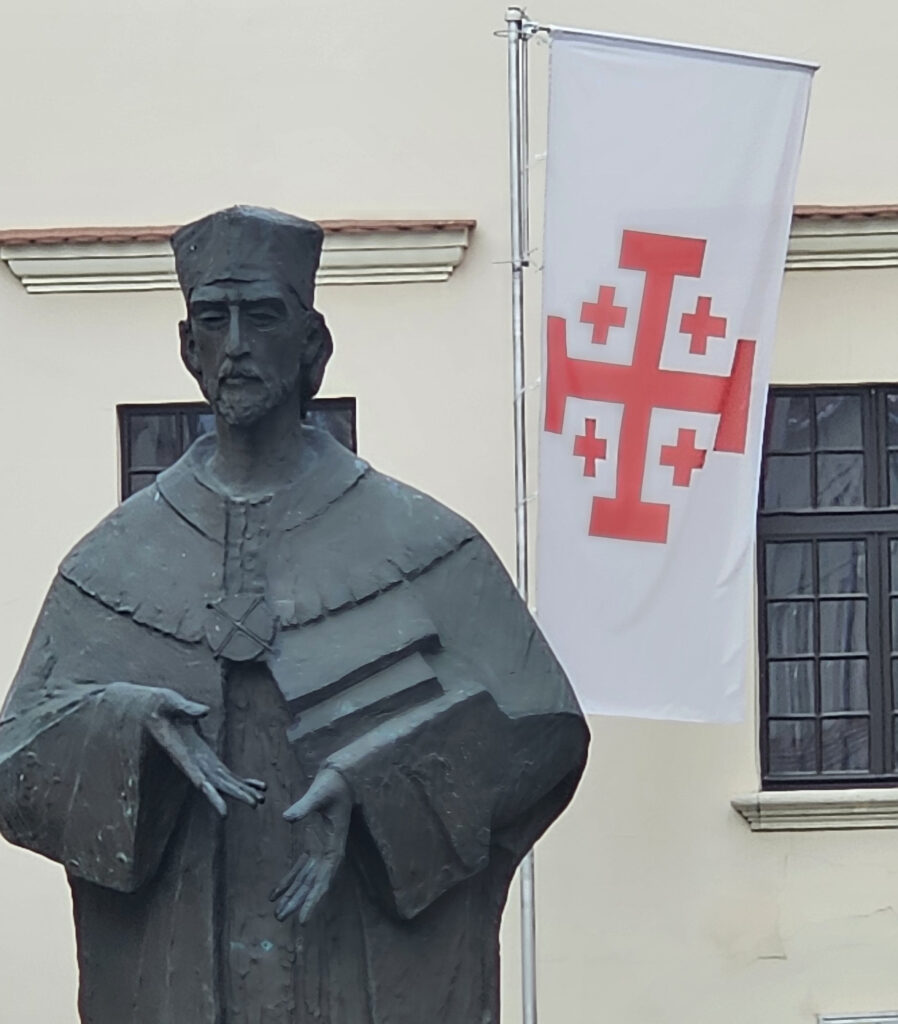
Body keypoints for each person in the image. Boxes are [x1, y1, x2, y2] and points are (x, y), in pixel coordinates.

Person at [0, 206, 588, 1024]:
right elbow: (15, 765)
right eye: (214, 320)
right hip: (181, 982)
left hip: (355, 973)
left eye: (263, 316)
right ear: (188, 349)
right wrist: (126, 729)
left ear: (313, 345)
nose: (236, 343)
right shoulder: (112, 561)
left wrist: (375, 785)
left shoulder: (422, 541)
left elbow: (544, 732)